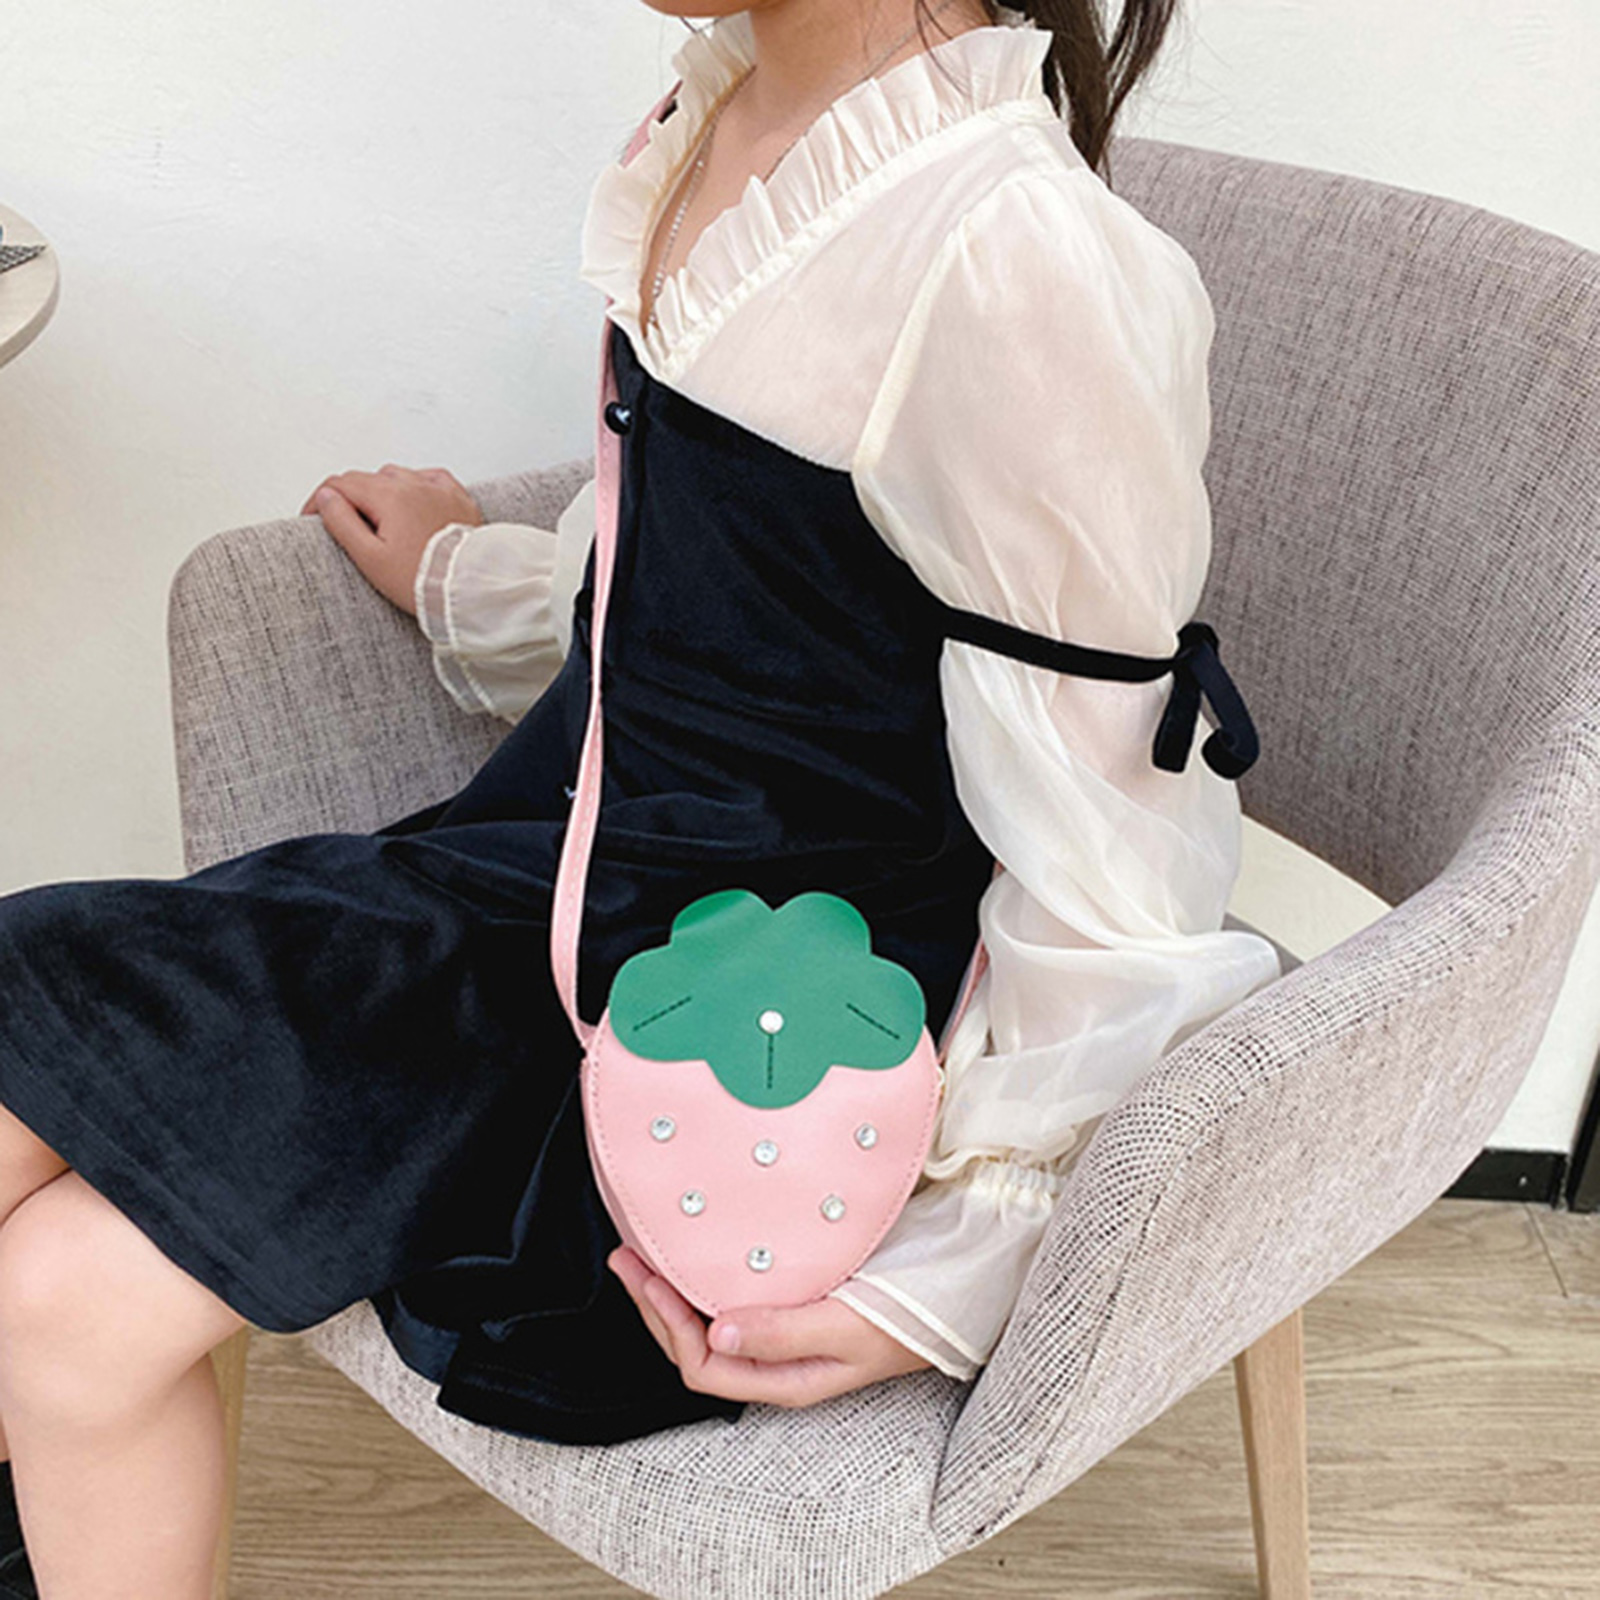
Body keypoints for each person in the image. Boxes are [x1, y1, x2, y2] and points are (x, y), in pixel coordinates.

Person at [0, 0, 1283, 1592]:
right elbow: (716, 582)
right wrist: (471, 582)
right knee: (44, 1224)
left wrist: (966, 1255)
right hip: (545, 873)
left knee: (58, 1292)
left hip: (742, 1020)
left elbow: (1115, 827)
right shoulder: (721, 120)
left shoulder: (1012, 253)